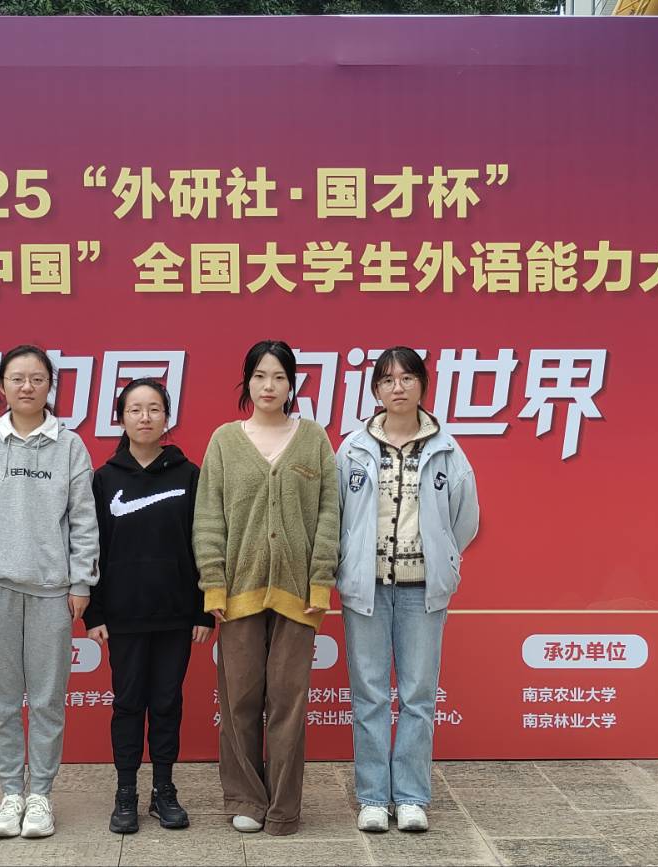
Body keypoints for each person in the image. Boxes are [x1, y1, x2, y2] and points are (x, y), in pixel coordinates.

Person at [0, 344, 99, 840]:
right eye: (17, 378)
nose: (27, 386)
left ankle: (41, 798)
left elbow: (84, 521)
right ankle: (11, 793)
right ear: (2, 386)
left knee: (49, 700)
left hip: (53, 592)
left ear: (50, 385)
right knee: (2, 700)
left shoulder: (69, 446)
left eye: (37, 378)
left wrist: (81, 580)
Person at [193, 339, 340, 836]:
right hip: (239, 592)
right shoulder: (224, 440)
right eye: (259, 376)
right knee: (238, 700)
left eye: (279, 377)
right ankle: (245, 798)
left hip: (299, 595)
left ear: (292, 384)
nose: (269, 386)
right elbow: (208, 517)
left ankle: (283, 806)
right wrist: (214, 585)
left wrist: (320, 582)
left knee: (287, 702)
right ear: (247, 382)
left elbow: (329, 514)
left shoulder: (314, 439)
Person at [336, 347, 480, 834]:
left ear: (422, 384)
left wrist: (442, 555)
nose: (397, 387)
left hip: (423, 592)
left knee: (418, 695)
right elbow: (337, 515)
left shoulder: (447, 450)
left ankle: (413, 796)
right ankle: (374, 798)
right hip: (367, 590)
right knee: (370, 695)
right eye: (387, 380)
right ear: (375, 390)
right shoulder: (353, 449)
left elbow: (465, 519)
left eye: (407, 378)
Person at [85, 378, 213, 834]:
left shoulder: (189, 475)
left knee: (166, 703)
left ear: (167, 417)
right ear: (121, 417)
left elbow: (204, 544)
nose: (145, 417)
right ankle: (126, 793)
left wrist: (203, 610)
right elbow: (92, 548)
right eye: (135, 409)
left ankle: (164, 790)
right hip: (123, 616)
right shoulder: (104, 479)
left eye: (154, 409)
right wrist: (94, 613)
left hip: (176, 614)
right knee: (127, 704)